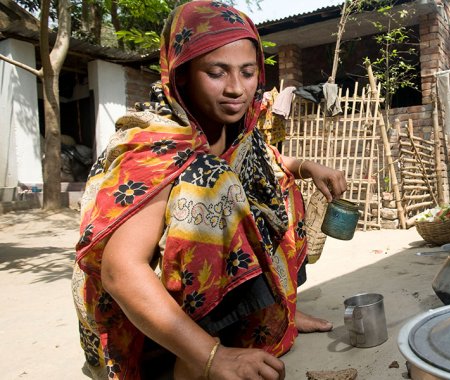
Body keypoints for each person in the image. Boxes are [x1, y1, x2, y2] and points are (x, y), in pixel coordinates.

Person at [71, 2, 347, 379]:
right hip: (142, 321)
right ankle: (189, 359)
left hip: (192, 292)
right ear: (181, 75)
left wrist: (305, 168)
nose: (236, 89)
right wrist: (212, 357)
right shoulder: (153, 142)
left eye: (248, 73)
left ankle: (271, 312)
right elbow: (120, 272)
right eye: (216, 72)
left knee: (271, 181)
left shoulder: (235, 130)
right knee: (212, 185)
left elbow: (268, 158)